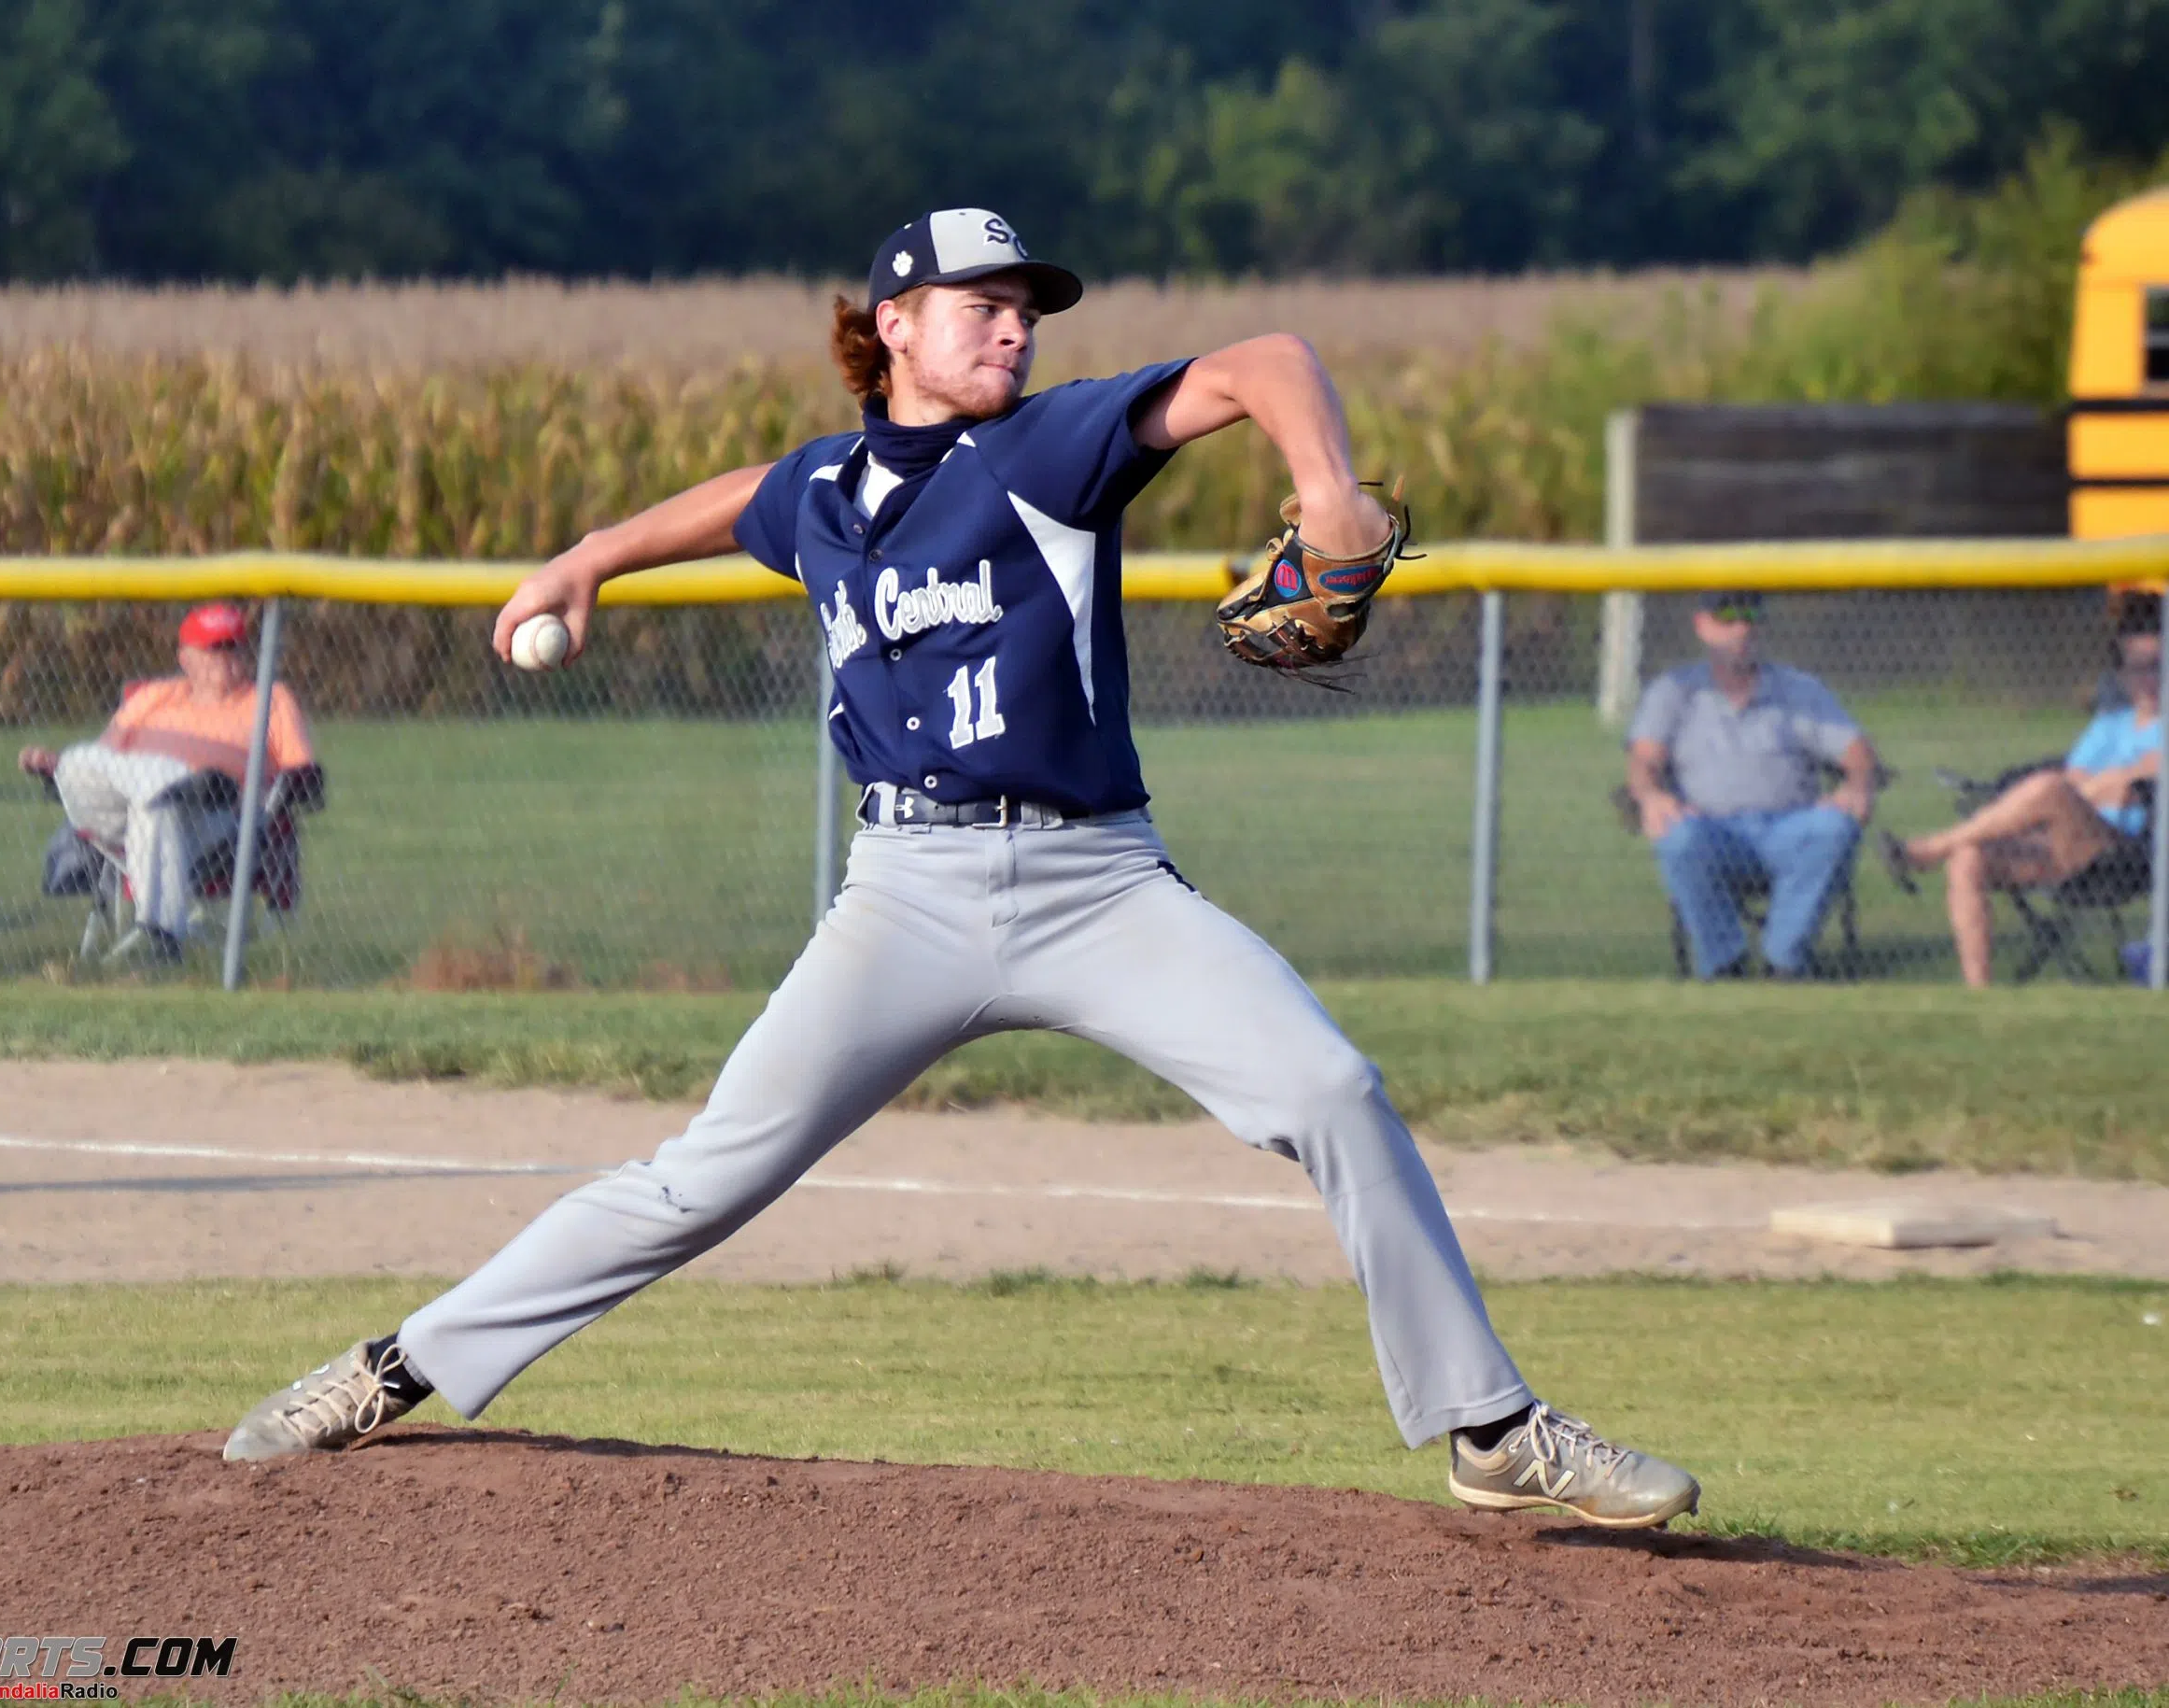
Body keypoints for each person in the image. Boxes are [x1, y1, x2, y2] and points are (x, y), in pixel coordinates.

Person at [223, 209, 1700, 1530]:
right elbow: (748, 495)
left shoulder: (1049, 446)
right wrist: (594, 553)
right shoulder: (822, 496)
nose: (1015, 323)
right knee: (698, 1181)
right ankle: (395, 1367)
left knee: (1329, 1091)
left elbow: (1263, 358)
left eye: (1027, 305)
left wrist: (1328, 492)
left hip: (1095, 885)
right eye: (983, 301)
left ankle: (1489, 1429)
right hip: (904, 898)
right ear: (893, 331)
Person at [1880, 596, 2162, 987]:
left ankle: (1930, 847)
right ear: (2121, 674)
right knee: (1967, 860)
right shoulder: (2109, 725)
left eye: (2157, 666)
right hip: (2062, 847)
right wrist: (2099, 787)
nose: (2149, 680)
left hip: (2123, 853)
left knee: (2049, 787)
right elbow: (2083, 783)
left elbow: (2128, 786)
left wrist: (2087, 791)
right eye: (2137, 669)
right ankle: (1980, 998)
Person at [21, 602, 314, 960]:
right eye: (214, 649)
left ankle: (160, 937)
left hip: (213, 818)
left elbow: (303, 777)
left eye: (234, 646)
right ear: (185, 658)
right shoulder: (154, 696)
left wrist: (264, 796)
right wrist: (58, 766)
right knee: (90, 762)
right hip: (119, 813)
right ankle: (166, 780)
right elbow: (105, 762)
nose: (226, 657)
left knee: (157, 808)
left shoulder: (270, 699)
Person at [1625, 591, 1882, 980]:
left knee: (1835, 827)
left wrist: (1858, 785)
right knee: (1678, 837)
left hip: (1789, 830)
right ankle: (1725, 964)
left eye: (1751, 614)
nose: (1741, 627)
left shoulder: (1800, 689)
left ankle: (1784, 963)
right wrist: (1650, 796)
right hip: (1713, 833)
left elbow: (1858, 752)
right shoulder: (1674, 689)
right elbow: (1643, 760)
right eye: (1726, 615)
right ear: (1701, 625)